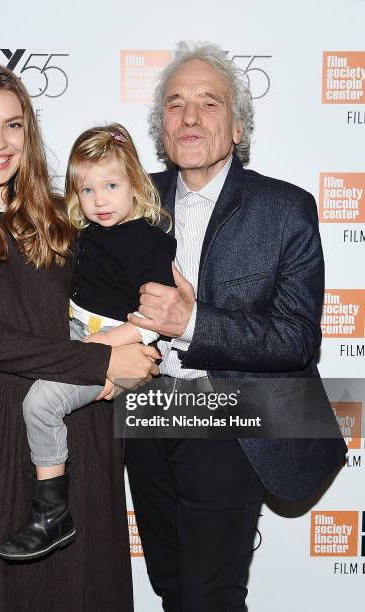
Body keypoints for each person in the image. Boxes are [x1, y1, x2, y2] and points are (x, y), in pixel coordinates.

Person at [0, 64, 158, 612]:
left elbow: (108, 293)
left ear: (29, 134)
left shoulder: (55, 215)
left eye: (13, 126)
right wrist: (102, 364)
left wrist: (140, 334)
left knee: (87, 587)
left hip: (84, 424)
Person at [125, 41, 347, 611]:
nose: (190, 117)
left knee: (210, 596)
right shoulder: (129, 202)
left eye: (209, 103)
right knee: (171, 586)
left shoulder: (285, 209)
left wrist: (193, 321)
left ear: (238, 124)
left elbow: (297, 338)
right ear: (161, 127)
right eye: (175, 105)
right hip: (144, 413)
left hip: (229, 415)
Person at [0, 122, 176, 561]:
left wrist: (103, 352)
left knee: (39, 403)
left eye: (111, 185)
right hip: (85, 339)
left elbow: (155, 318)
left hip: (123, 345)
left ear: (136, 183)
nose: (99, 200)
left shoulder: (150, 243)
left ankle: (51, 511)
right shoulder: (86, 233)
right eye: (87, 190)